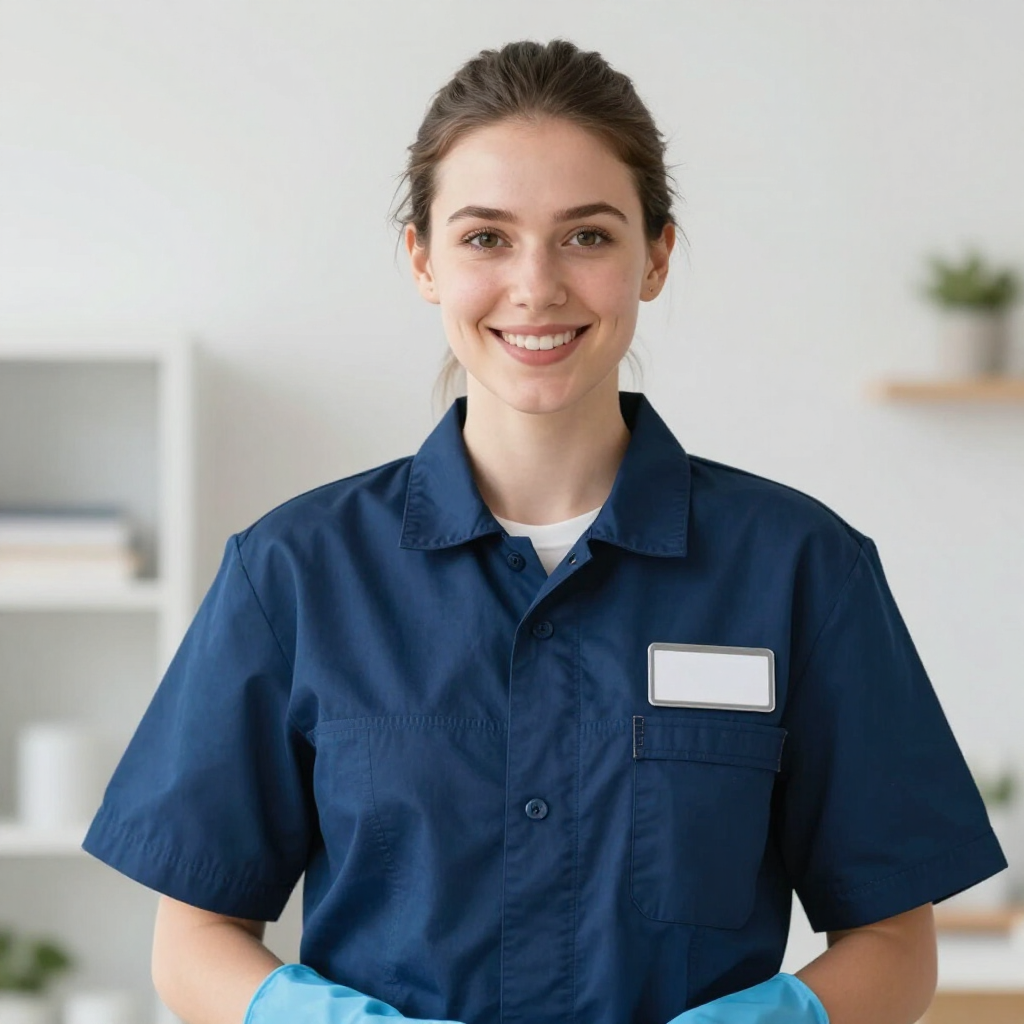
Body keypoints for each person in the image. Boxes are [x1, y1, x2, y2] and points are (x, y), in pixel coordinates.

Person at [82, 38, 1006, 1024]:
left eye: (587, 236)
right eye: (485, 237)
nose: (536, 286)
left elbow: (895, 944)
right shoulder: (293, 573)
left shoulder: (801, 569)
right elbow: (191, 941)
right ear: (421, 259)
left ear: (654, 256)